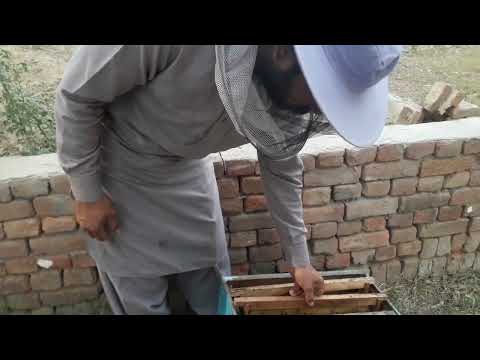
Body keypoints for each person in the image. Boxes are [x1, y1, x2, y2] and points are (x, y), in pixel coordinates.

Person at [55, 45, 402, 315]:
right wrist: (87, 193)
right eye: (320, 96)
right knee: (140, 293)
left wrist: (300, 261)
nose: (319, 112)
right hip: (120, 170)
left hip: (187, 168)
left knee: (212, 277)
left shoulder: (282, 81)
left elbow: (280, 164)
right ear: (282, 54)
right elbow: (77, 96)